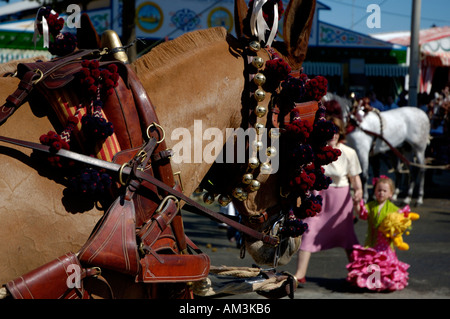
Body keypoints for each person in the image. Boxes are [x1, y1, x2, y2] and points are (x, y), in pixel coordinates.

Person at [294, 116, 363, 285]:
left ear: (340, 134)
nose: (333, 135)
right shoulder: (314, 150)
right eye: (330, 132)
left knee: (347, 237)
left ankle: (357, 272)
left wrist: (359, 192)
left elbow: (355, 178)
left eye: (336, 132)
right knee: (308, 231)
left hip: (340, 199)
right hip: (318, 196)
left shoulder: (349, 153)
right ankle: (299, 274)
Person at [346, 176, 419, 291]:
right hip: (372, 242)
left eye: (385, 191)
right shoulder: (371, 205)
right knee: (372, 263)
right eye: (379, 190)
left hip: (385, 245)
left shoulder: (393, 208)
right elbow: (362, 215)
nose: (381, 193)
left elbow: (399, 224)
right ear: (375, 192)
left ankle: (386, 282)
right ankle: (373, 283)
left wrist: (397, 231)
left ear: (390, 194)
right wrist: (356, 205)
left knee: (385, 265)